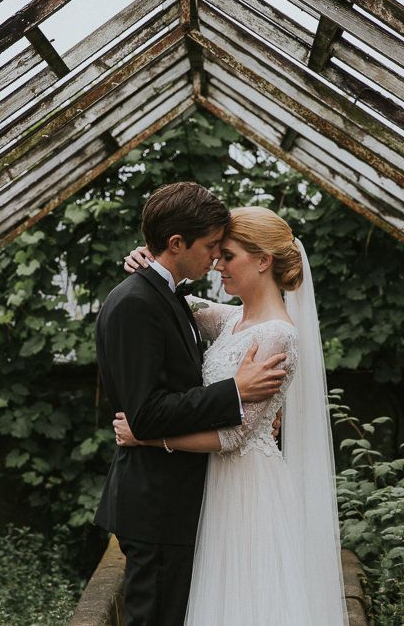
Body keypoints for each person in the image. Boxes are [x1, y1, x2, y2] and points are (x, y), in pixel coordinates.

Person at [116, 205, 348, 625]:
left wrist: (148, 437)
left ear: (264, 260)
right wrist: (147, 261)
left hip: (247, 487)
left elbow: (233, 437)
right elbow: (175, 305)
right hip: (215, 484)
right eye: (216, 254)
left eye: (228, 256)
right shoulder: (234, 319)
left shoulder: (277, 335)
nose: (218, 265)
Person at [93, 183, 289, 626]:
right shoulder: (136, 304)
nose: (216, 259)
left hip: (180, 504)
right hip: (159, 507)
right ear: (176, 244)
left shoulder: (169, 296)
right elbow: (145, 414)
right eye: (210, 247)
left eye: (225, 251)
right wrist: (235, 391)